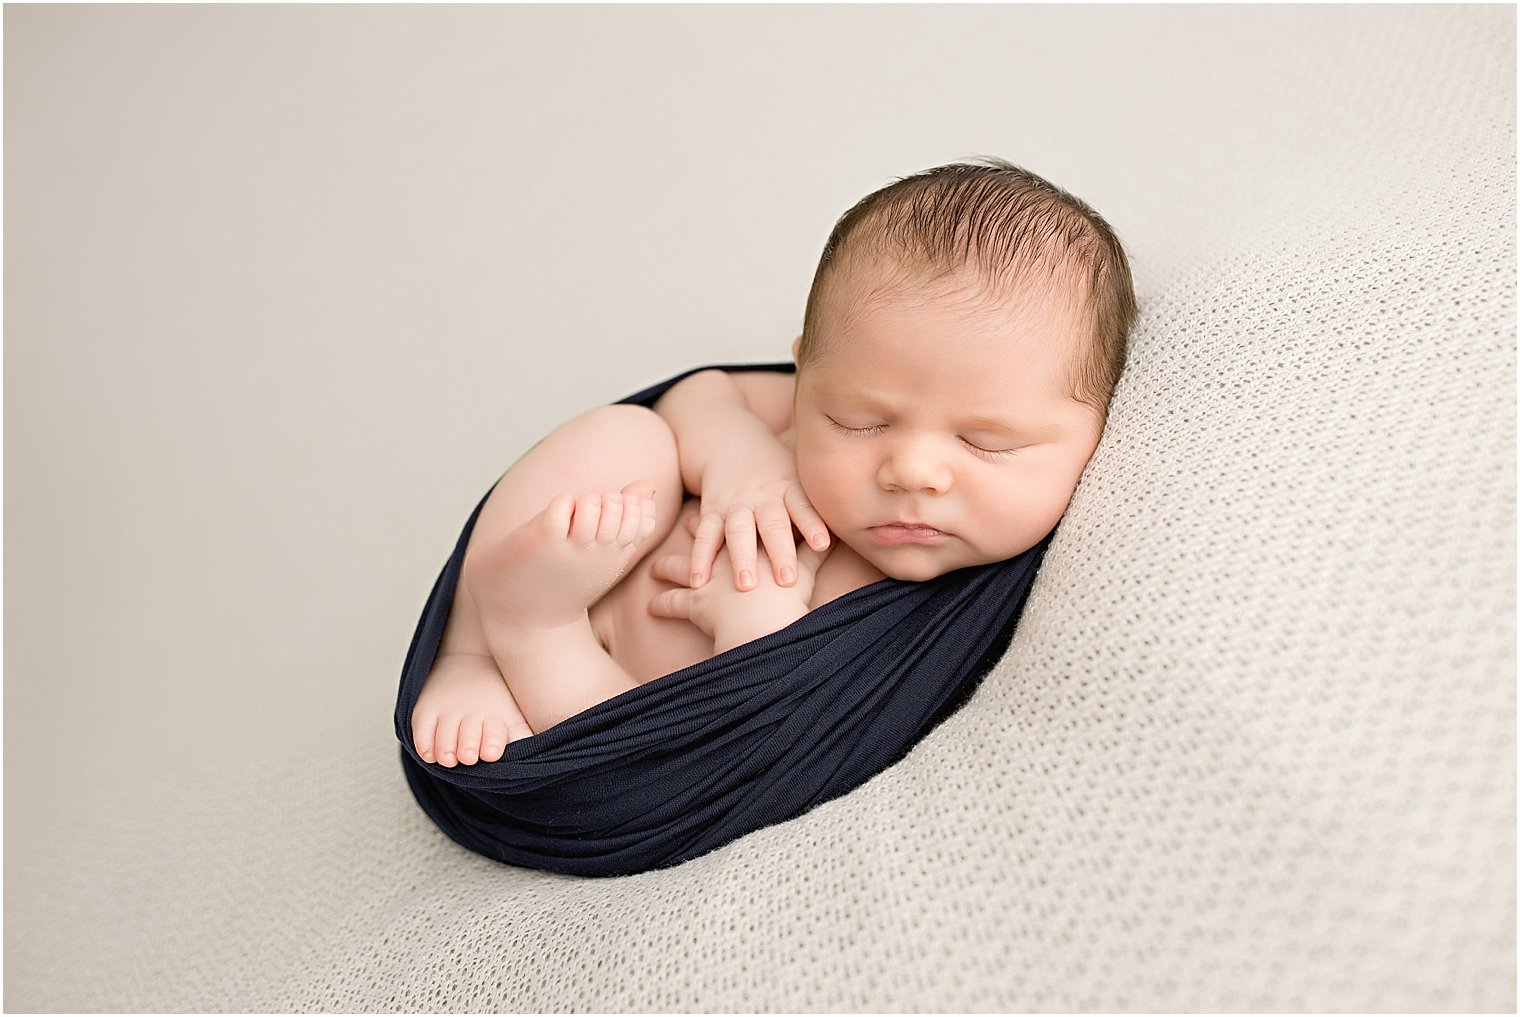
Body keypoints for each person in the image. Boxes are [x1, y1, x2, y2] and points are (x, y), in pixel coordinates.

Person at [410, 157, 1137, 767]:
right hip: (599, 550)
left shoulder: (935, 623)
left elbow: (764, 728)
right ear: (807, 373)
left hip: (604, 688)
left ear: (1098, 428)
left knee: (641, 745)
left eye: (986, 443)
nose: (911, 469)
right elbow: (700, 393)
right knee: (624, 436)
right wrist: (737, 455)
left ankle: (526, 629)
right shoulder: (792, 408)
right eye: (858, 421)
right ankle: (468, 650)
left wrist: (749, 619)